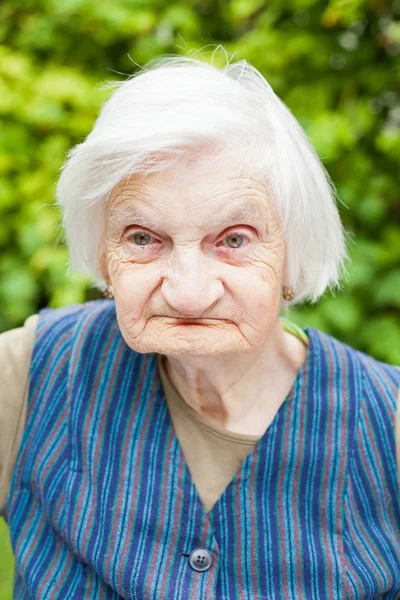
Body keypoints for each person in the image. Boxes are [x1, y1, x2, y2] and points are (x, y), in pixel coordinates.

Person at [1, 54, 399, 599]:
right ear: (103, 253)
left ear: (293, 253)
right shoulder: (28, 373)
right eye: (143, 238)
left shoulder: (389, 423)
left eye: (234, 240)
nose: (188, 290)